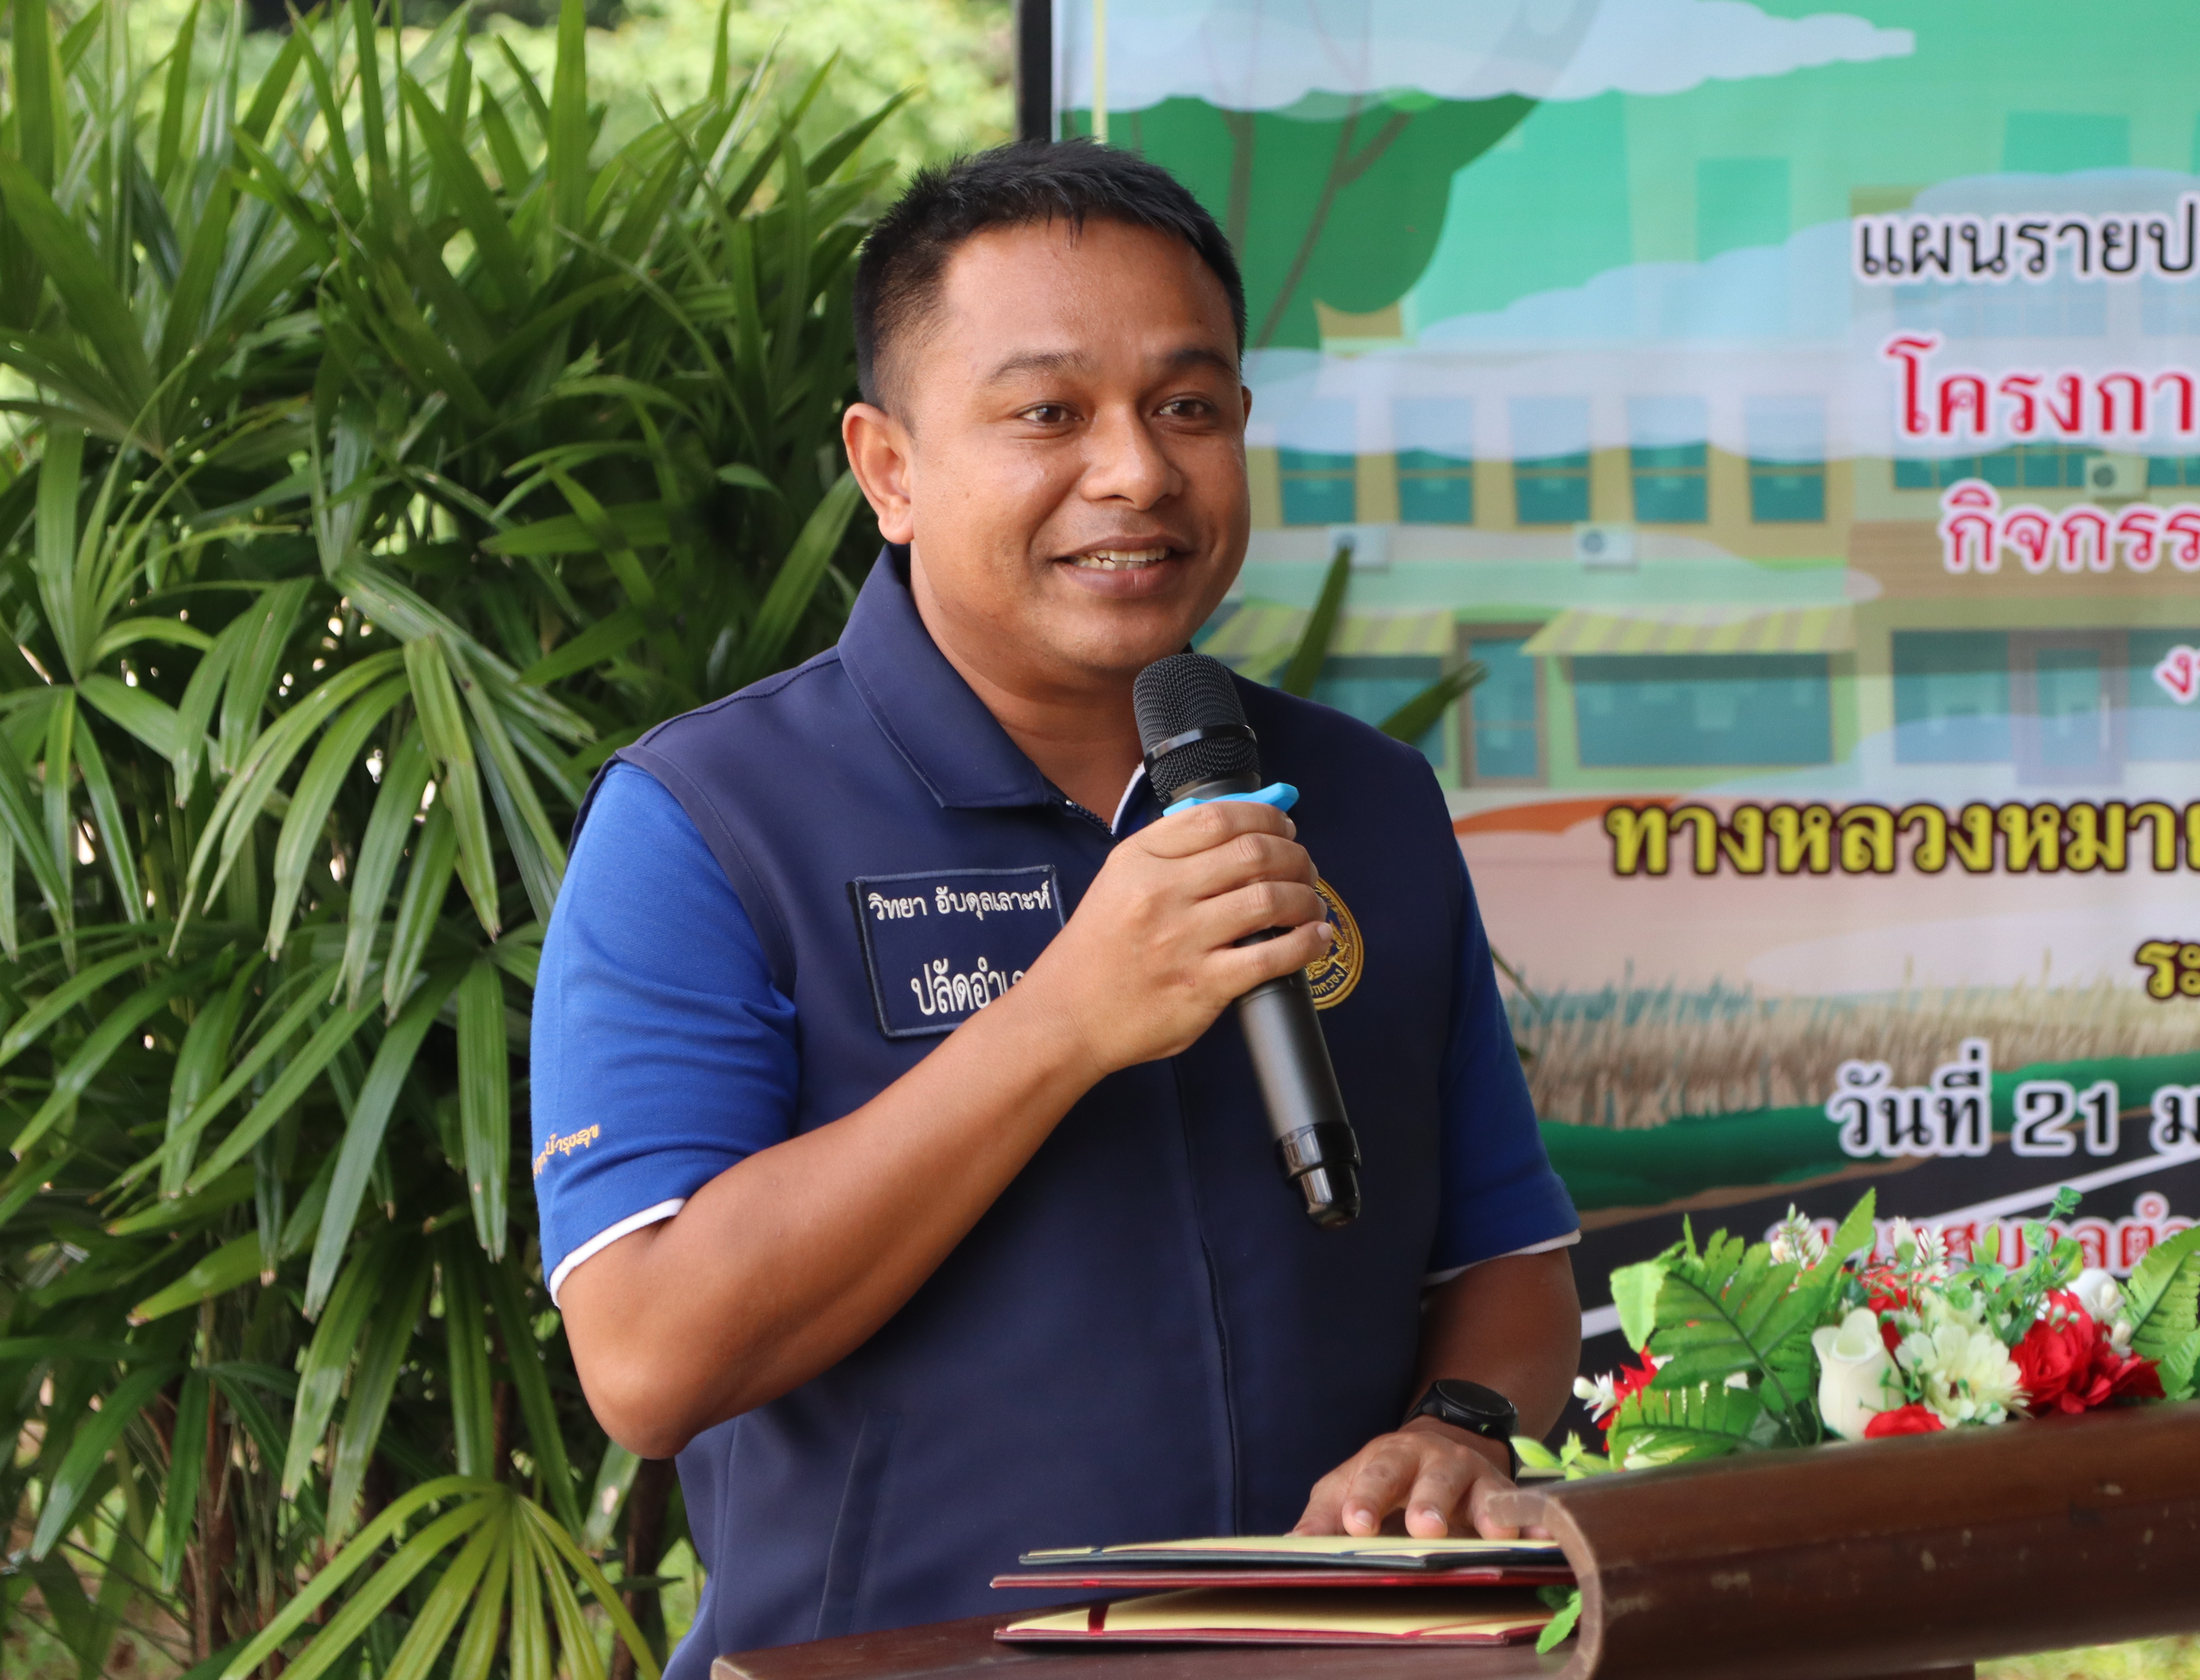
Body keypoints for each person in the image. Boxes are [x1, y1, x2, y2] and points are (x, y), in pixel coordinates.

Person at [528, 139, 1582, 1676]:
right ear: (889, 468)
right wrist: (1066, 1021)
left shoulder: (1367, 801)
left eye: (1188, 408)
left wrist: (1460, 1426)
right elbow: (647, 1359)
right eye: (1048, 414)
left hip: (1335, 1657)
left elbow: (1504, 1259)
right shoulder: (709, 820)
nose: (1137, 472)